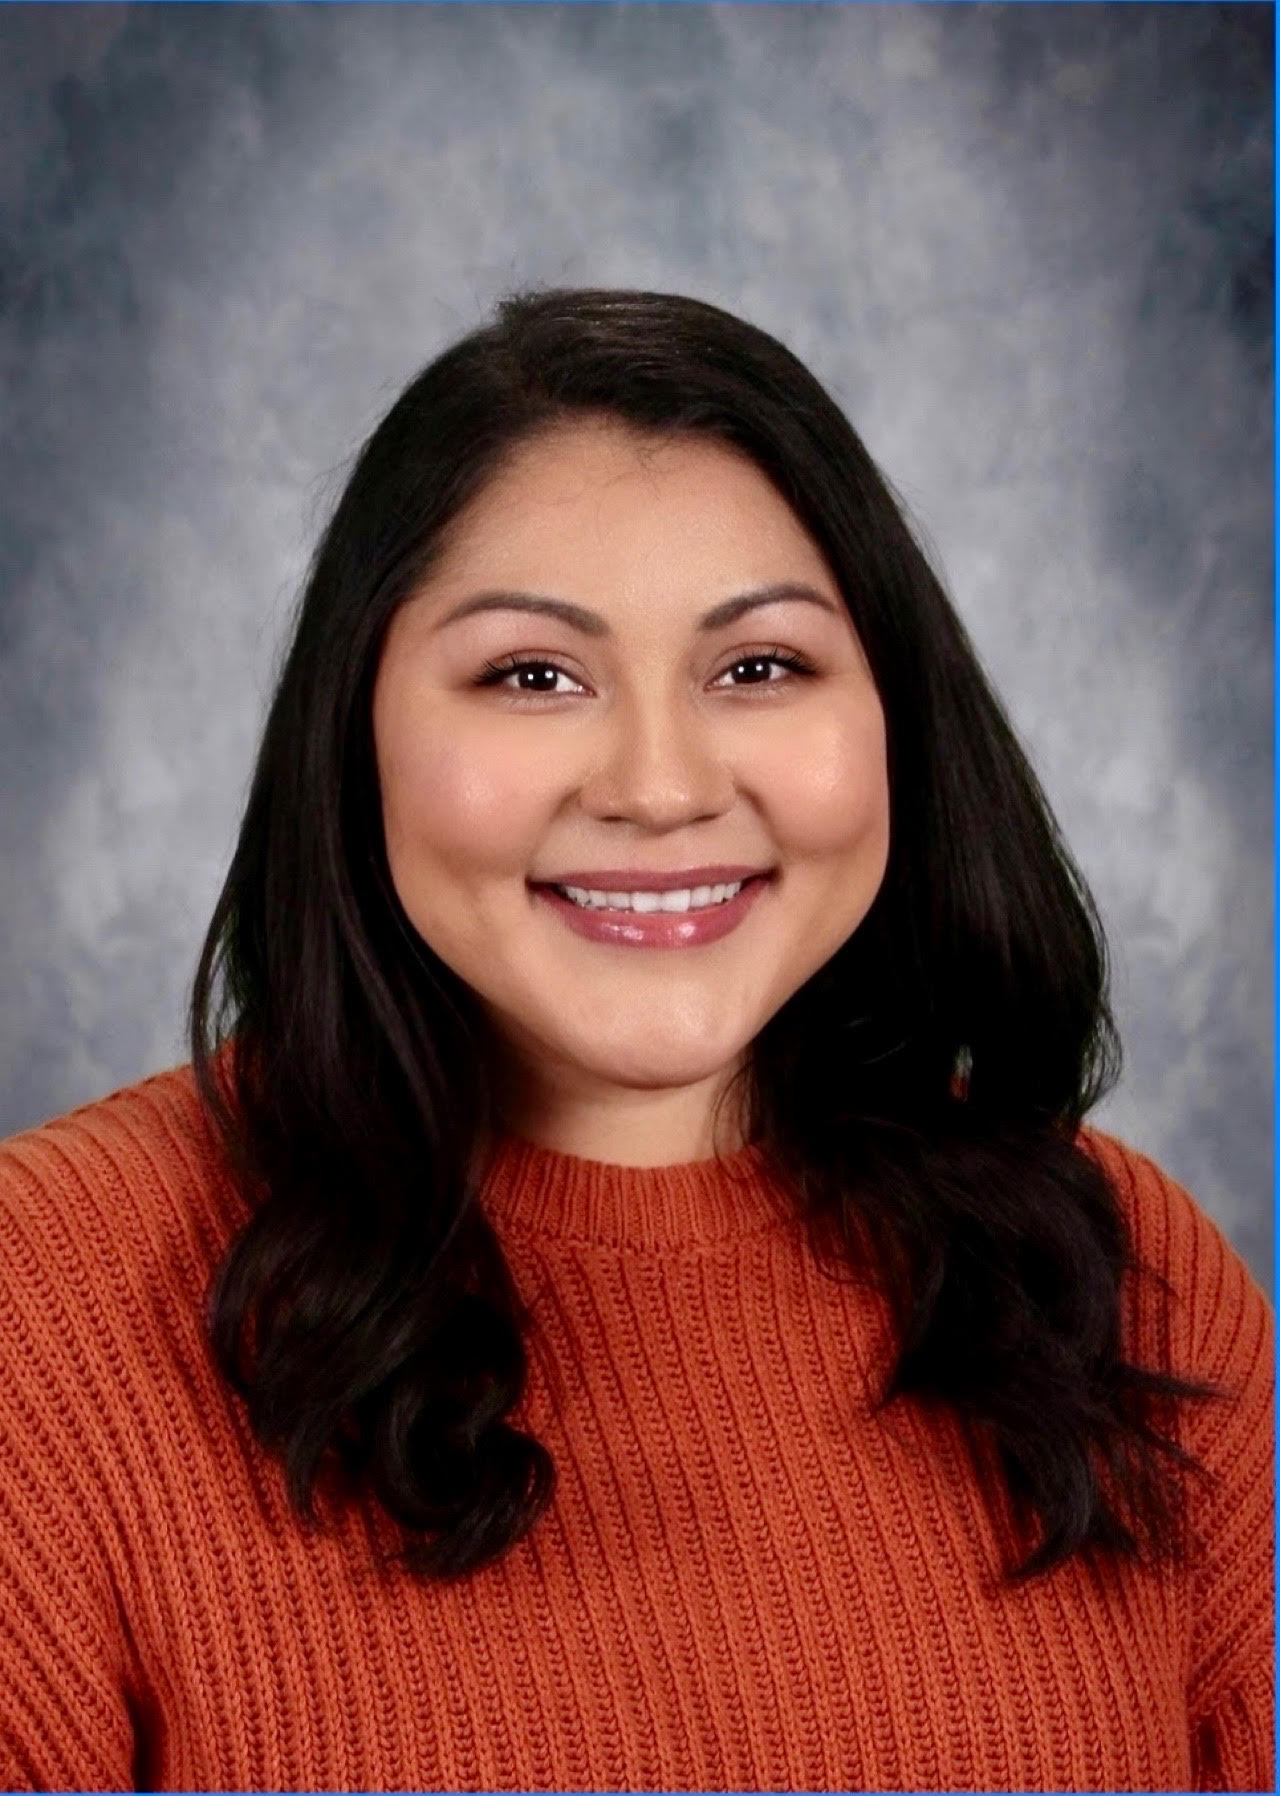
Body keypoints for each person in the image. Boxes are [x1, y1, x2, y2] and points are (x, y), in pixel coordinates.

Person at [0, 288, 1271, 1794]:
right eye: (534, 676)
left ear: (897, 725)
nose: (661, 787)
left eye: (760, 668)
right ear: (358, 734)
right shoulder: (48, 1306)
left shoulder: (1132, 1280)